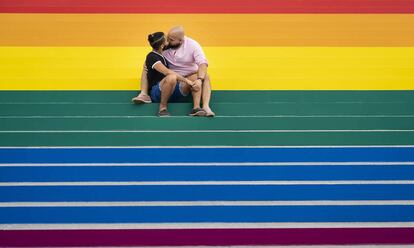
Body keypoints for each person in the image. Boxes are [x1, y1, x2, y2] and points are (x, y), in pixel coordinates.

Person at [132, 26, 215, 117]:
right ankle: (149, 98)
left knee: (203, 76)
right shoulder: (161, 50)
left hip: (182, 81)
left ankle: (200, 107)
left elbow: (202, 63)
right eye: (167, 39)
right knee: (168, 75)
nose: (167, 42)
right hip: (168, 82)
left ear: (180, 40)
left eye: (171, 40)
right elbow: (163, 69)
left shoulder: (192, 45)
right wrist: (186, 81)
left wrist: (199, 80)